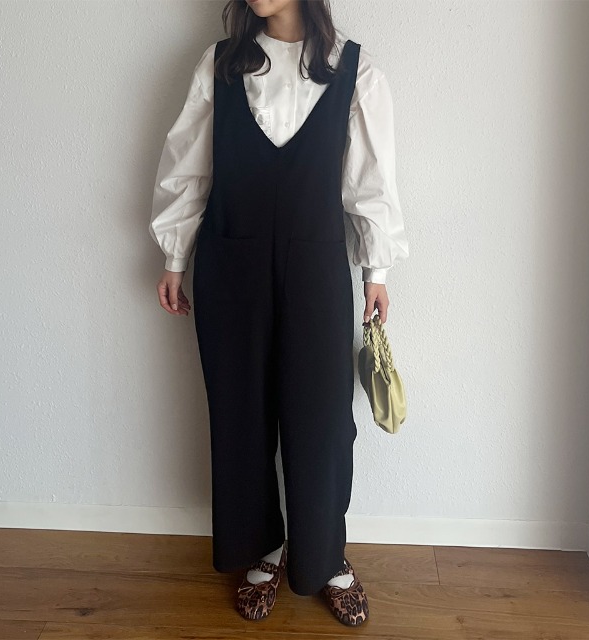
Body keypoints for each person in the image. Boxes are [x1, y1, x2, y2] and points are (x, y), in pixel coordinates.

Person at [148, 0, 409, 627]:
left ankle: (325, 556)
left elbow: (370, 182)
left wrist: (375, 271)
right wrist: (175, 256)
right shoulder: (220, 66)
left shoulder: (353, 71)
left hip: (317, 269)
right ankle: (262, 547)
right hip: (229, 264)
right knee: (240, 413)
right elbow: (189, 165)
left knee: (323, 420)